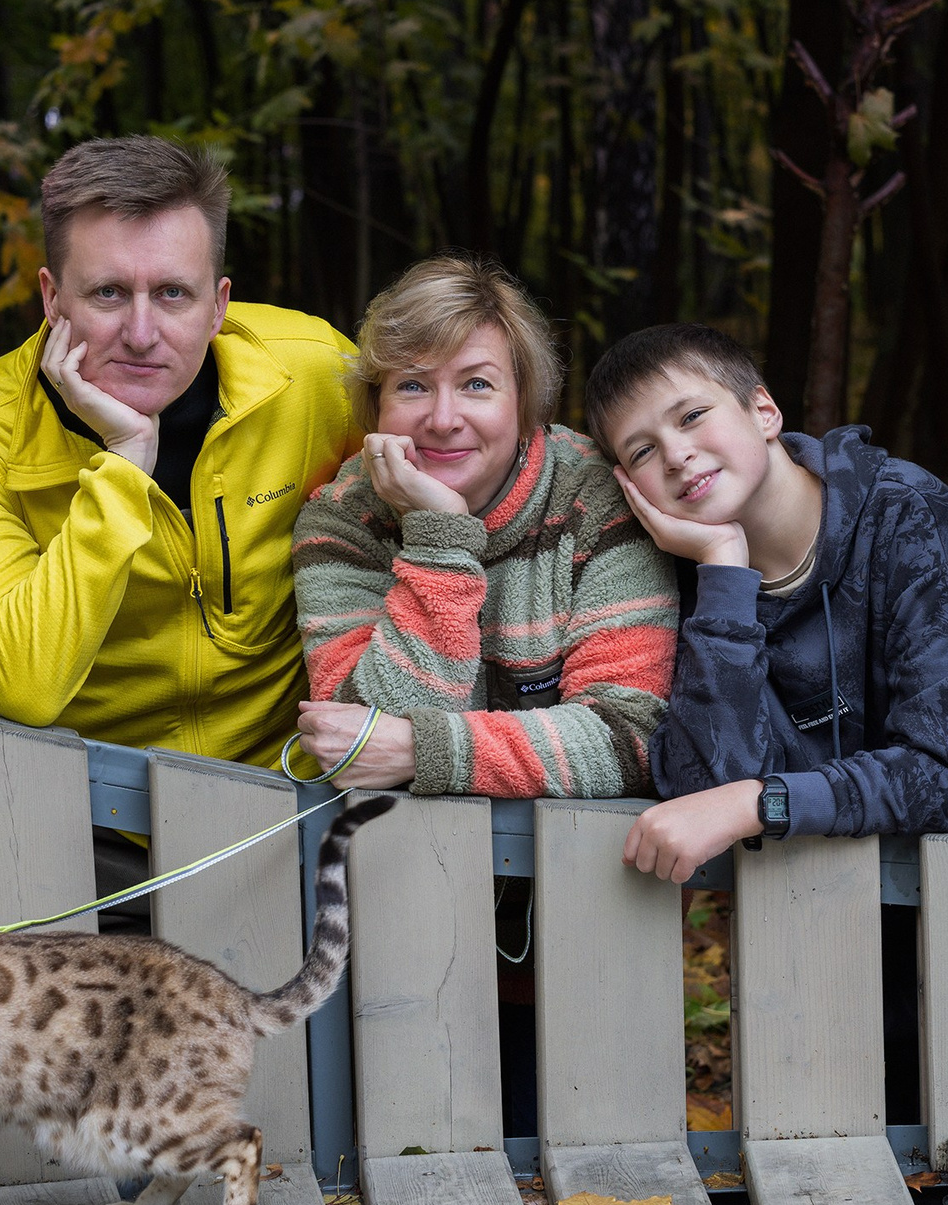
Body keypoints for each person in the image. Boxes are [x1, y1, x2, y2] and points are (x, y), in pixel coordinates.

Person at [0, 135, 360, 770]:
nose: (142, 334)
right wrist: (123, 464)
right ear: (52, 296)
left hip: (302, 793)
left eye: (174, 293)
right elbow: (21, 684)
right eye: (109, 294)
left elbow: (473, 469)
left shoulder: (317, 373)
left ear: (219, 304)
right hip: (102, 811)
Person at [585, 323, 948, 882]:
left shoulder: (910, 518)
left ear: (763, 412)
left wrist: (757, 804)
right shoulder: (684, 579)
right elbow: (702, 791)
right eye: (642, 451)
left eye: (691, 417)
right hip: (795, 912)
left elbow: (940, 773)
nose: (677, 456)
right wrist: (724, 571)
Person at [290, 256, 676, 798]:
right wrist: (440, 538)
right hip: (397, 862)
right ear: (376, 406)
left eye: (476, 384)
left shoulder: (595, 497)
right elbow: (356, 744)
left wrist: (420, 751)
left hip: (580, 867)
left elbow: (629, 735)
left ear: (525, 403)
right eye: (413, 387)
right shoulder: (343, 518)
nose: (444, 419)